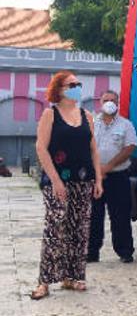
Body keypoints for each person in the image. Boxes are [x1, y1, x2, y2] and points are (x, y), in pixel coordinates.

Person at [30, 71, 103, 300]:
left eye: (79, 83)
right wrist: (55, 180)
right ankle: (44, 282)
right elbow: (41, 148)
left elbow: (93, 149)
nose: (77, 87)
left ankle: (72, 277)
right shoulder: (50, 114)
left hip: (83, 180)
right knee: (55, 229)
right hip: (57, 180)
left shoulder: (87, 115)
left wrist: (98, 179)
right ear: (59, 89)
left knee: (79, 230)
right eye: (72, 84)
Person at [88, 89, 137, 264]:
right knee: (93, 216)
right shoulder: (92, 123)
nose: (109, 103)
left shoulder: (125, 125)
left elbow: (130, 147)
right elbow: (86, 146)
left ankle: (125, 251)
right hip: (95, 178)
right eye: (106, 99)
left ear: (117, 104)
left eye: (112, 100)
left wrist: (109, 166)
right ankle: (91, 252)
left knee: (120, 216)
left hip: (118, 177)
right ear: (100, 103)